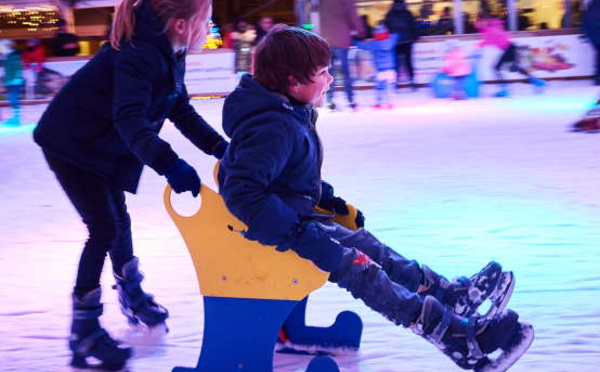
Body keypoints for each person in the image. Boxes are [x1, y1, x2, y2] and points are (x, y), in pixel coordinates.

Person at [218, 25, 533, 372]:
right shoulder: (273, 125)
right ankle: (456, 338)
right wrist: (298, 233)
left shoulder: (286, 112)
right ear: (294, 83)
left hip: (294, 220)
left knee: (369, 246)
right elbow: (243, 192)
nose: (330, 79)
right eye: (322, 73)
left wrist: (328, 200)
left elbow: (286, 177)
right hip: (279, 231)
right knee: (360, 268)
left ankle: (450, 298)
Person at [33, 0, 228, 369]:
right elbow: (130, 121)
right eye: (207, 20)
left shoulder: (171, 51)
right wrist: (170, 164)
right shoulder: (139, 55)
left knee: (118, 220)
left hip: (100, 143)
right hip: (69, 142)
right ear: (182, 24)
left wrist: (219, 148)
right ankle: (84, 330)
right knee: (104, 228)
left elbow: (179, 108)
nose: (211, 27)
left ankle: (132, 295)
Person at [476, 13, 546, 97]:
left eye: (482, 21)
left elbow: (488, 41)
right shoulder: (488, 29)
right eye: (479, 21)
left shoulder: (490, 30)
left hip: (510, 49)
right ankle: (538, 82)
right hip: (511, 48)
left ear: (486, 21)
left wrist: (477, 48)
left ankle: (505, 90)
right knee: (515, 68)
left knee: (496, 67)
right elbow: (490, 39)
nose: (480, 23)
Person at [319, 0, 364, 111]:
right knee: (345, 71)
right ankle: (350, 101)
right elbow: (353, 16)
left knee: (328, 71)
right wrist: (361, 31)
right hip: (341, 39)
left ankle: (330, 101)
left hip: (327, 39)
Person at [354, 24, 398, 109]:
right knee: (390, 87)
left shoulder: (375, 44)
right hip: (390, 69)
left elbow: (363, 45)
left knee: (379, 88)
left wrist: (353, 41)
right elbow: (396, 35)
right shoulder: (391, 40)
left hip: (380, 70)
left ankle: (379, 103)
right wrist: (389, 35)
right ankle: (391, 103)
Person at [384, 0, 420, 91]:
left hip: (395, 42)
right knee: (408, 62)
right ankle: (412, 82)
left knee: (395, 63)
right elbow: (414, 26)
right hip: (408, 41)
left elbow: (386, 27)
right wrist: (415, 37)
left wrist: (387, 39)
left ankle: (395, 83)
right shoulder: (408, 13)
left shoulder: (390, 14)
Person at [1, 39, 24, 127]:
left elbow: (18, 67)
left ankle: (17, 118)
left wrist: (17, 77)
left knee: (13, 99)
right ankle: (15, 117)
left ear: (5, 47)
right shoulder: (6, 56)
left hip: (15, 81)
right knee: (11, 99)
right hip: (10, 81)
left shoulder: (14, 56)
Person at [582, 0, 600, 85]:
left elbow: (584, 17)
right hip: (595, 28)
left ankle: (597, 77)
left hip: (590, 29)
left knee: (598, 52)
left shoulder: (591, 4)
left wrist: (585, 32)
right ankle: (598, 77)